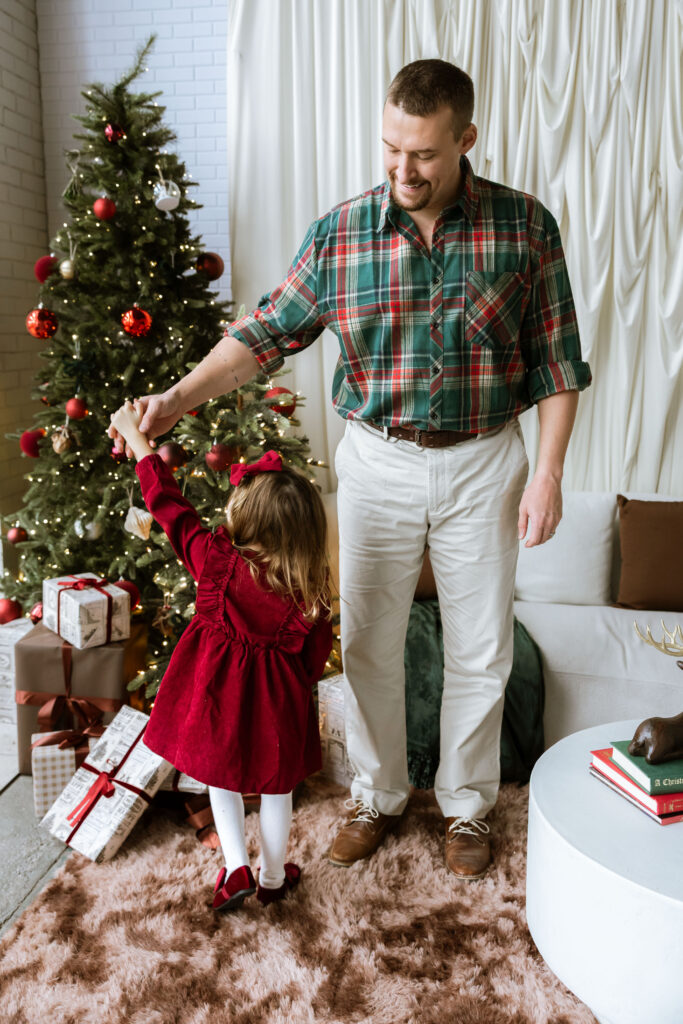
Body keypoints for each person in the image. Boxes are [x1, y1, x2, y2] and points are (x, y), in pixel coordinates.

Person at [110, 59, 591, 881]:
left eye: (424, 154)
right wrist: (176, 397)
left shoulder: (525, 228)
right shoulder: (341, 233)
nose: (402, 170)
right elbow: (262, 335)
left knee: (480, 650)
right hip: (375, 461)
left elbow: (556, 366)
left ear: (465, 140)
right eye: (390, 149)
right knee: (368, 643)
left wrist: (545, 474)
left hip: (484, 461)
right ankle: (377, 794)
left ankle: (468, 808)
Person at [109, 401, 333, 911]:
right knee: (278, 791)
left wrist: (141, 446)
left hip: (213, 699)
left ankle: (235, 870)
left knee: (219, 781)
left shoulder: (215, 560)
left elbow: (168, 506)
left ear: (245, 516)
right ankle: (273, 876)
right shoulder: (309, 590)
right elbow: (312, 661)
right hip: (276, 709)